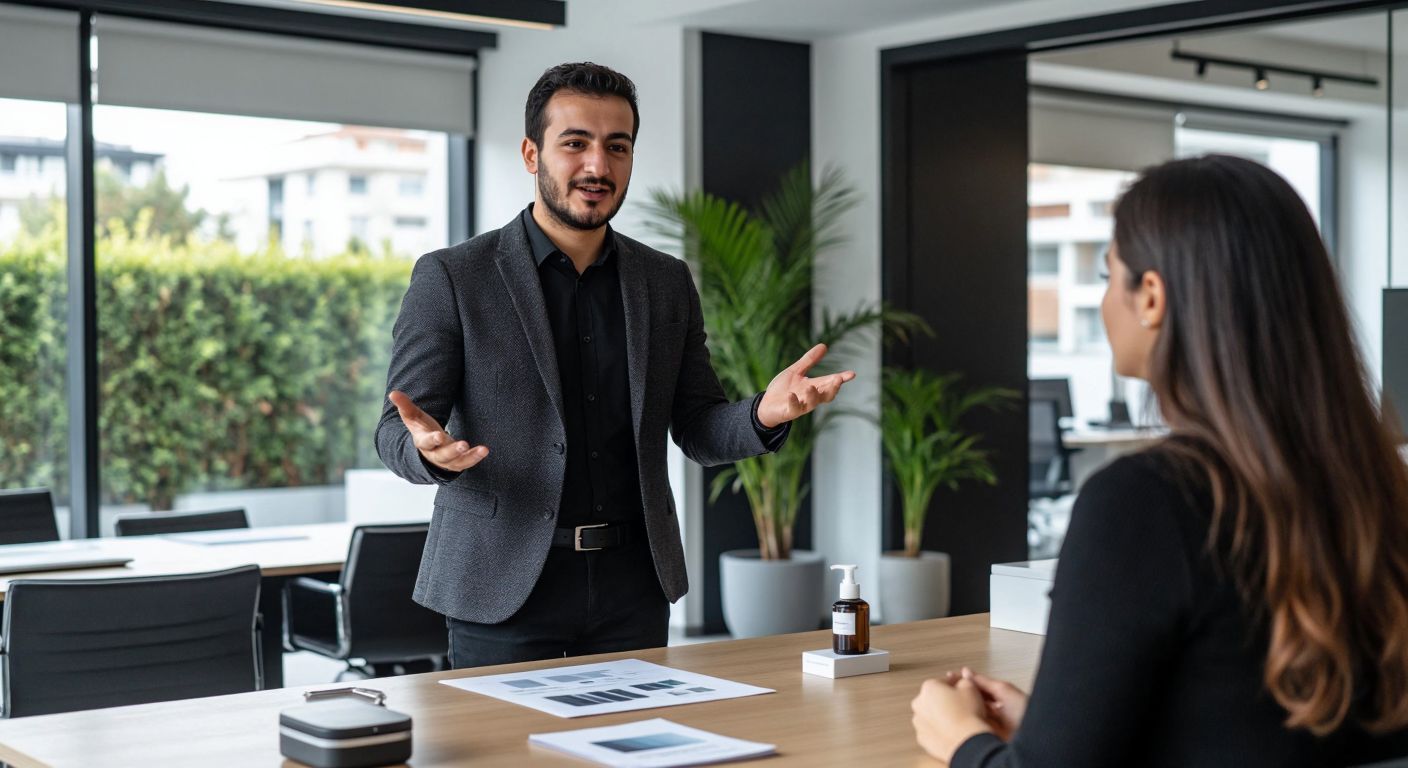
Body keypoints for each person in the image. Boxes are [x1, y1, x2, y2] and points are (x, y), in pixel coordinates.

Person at [910, 154, 1408, 767]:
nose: (1102, 301)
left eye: (1106, 274)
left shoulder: (1145, 502)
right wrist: (1057, 726)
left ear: (1150, 296)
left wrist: (960, 737)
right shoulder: (1382, 488)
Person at [374, 62, 854, 669]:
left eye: (616, 147)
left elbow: (699, 427)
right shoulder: (453, 277)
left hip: (634, 586)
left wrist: (764, 412)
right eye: (574, 144)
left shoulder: (665, 281)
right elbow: (395, 427)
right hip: (501, 587)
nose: (597, 167)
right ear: (531, 153)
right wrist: (425, 452)